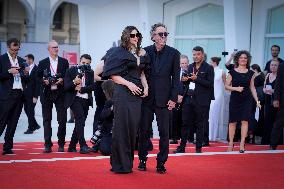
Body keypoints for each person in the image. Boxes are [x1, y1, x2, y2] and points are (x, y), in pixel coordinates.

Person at [103, 26, 149, 174]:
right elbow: (112, 75)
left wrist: (146, 87)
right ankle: (120, 164)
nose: (136, 37)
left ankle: (127, 162)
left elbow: (141, 74)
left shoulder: (142, 53)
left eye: (138, 35)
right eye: (133, 35)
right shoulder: (117, 52)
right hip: (123, 92)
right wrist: (129, 84)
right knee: (121, 128)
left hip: (137, 96)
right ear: (126, 37)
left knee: (132, 128)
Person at [138, 23, 180, 174]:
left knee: (164, 133)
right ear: (153, 36)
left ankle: (161, 162)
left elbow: (176, 79)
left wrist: (173, 98)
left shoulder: (174, 53)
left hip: (164, 100)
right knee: (143, 131)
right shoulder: (145, 51)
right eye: (160, 34)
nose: (164, 37)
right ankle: (142, 160)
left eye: (165, 34)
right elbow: (139, 73)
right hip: (146, 99)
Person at [173, 46, 214, 154]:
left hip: (201, 101)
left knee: (200, 124)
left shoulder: (208, 68)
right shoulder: (190, 66)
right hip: (188, 99)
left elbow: (210, 84)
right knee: (185, 123)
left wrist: (197, 79)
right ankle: (181, 147)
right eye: (194, 54)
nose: (196, 56)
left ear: (202, 55)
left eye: (198, 54)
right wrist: (185, 80)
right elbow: (186, 82)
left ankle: (198, 148)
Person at [225, 50, 261, 153]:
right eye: (241, 58)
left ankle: (242, 144)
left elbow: (252, 88)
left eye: (245, 58)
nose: (243, 59)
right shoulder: (232, 72)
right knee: (232, 122)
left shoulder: (251, 73)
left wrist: (257, 101)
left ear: (248, 60)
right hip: (235, 98)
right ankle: (231, 143)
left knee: (245, 121)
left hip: (247, 99)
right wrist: (236, 88)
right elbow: (226, 86)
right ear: (237, 59)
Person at [37, 40, 69, 153]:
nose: (56, 49)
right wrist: (44, 81)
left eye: (57, 47)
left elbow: (68, 76)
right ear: (49, 49)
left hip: (60, 93)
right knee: (47, 120)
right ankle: (47, 144)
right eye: (54, 47)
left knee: (62, 119)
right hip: (46, 93)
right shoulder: (42, 63)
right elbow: (37, 77)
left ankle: (61, 143)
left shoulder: (64, 62)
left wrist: (62, 80)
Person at [0, 38, 29, 155]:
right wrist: (9, 71)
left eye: (17, 50)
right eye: (13, 50)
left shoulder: (22, 61)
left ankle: (8, 147)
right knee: (1, 121)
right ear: (8, 47)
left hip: (19, 95)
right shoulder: (2, 59)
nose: (15, 52)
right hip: (6, 96)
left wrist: (26, 73)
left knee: (13, 122)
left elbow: (27, 80)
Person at [64, 54, 95, 154]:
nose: (85, 65)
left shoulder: (90, 72)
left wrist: (82, 89)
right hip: (74, 99)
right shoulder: (71, 70)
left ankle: (72, 146)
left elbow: (93, 86)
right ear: (79, 61)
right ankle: (83, 145)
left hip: (86, 100)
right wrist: (74, 82)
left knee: (80, 123)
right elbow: (66, 87)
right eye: (83, 63)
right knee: (80, 120)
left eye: (87, 63)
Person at [91, 80, 115, 156]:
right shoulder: (109, 102)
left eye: (104, 90)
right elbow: (102, 117)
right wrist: (111, 109)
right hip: (109, 132)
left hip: (118, 131)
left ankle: (99, 142)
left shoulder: (119, 100)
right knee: (105, 150)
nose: (103, 92)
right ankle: (100, 142)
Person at [169, 54, 189, 144]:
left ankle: (186, 138)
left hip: (187, 98)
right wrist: (176, 96)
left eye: (185, 63)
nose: (183, 65)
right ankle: (174, 137)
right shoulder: (174, 72)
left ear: (188, 63)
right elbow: (171, 85)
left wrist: (183, 96)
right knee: (174, 118)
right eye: (182, 63)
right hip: (175, 97)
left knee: (185, 119)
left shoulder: (191, 72)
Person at [23, 54, 41, 134]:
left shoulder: (36, 69)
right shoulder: (26, 69)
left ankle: (30, 128)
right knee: (26, 110)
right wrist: (25, 73)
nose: (25, 62)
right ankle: (35, 125)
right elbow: (26, 80)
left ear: (30, 60)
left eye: (26, 60)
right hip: (26, 94)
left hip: (32, 95)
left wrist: (35, 96)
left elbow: (38, 84)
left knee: (30, 111)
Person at [209, 57, 225, 141]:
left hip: (218, 95)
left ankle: (213, 136)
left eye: (210, 62)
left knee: (214, 114)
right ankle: (209, 135)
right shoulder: (210, 71)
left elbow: (225, 84)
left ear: (215, 62)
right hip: (210, 95)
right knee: (210, 115)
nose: (209, 63)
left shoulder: (221, 71)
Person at [262, 60, 278, 144]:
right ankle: (265, 141)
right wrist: (264, 90)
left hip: (277, 100)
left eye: (275, 65)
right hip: (268, 100)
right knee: (267, 120)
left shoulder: (280, 76)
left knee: (275, 120)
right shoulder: (267, 75)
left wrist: (273, 90)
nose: (273, 66)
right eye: (272, 65)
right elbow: (264, 86)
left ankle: (274, 141)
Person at [270, 58, 284, 150]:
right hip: (283, 99)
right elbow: (278, 83)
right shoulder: (282, 66)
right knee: (279, 121)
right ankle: (273, 144)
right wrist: (276, 99)